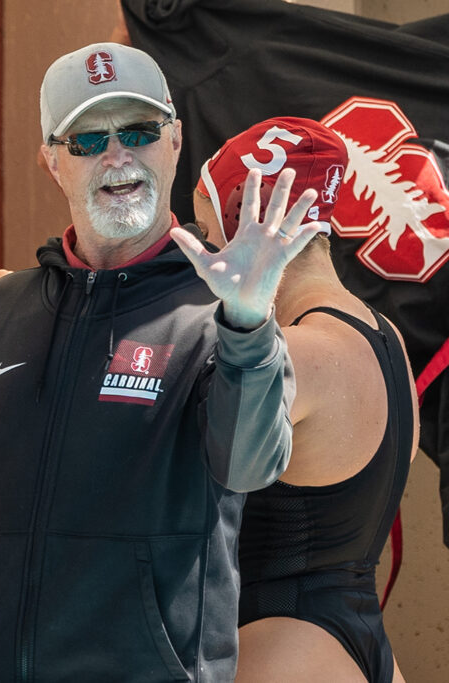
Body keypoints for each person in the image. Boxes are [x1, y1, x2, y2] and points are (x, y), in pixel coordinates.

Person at [0, 42, 324, 681]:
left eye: (139, 131)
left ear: (174, 142)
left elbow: (250, 466)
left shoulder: (223, 312)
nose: (118, 155)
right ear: (52, 162)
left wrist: (251, 325)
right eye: (88, 140)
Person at [193, 116, 417, 683]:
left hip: (281, 646)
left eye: (208, 231)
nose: (205, 255)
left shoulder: (294, 354)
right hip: (360, 644)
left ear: (244, 228)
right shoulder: (386, 340)